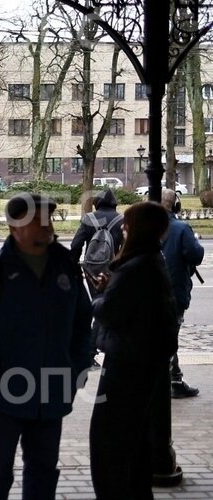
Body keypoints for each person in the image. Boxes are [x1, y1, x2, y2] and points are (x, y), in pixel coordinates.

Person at [0, 192, 92, 500]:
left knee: (43, 471)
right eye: (39, 219)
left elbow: (84, 320)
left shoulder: (66, 266)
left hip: (52, 390)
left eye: (49, 218)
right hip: (4, 394)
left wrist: (77, 368)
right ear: (16, 227)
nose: (47, 225)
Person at [88, 201, 180, 499]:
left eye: (127, 224)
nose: (123, 229)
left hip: (126, 363)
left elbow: (109, 312)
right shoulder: (152, 260)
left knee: (107, 437)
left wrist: (97, 298)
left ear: (136, 228)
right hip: (143, 362)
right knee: (135, 438)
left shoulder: (135, 268)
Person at [69, 188, 124, 365]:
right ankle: (92, 351)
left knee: (100, 305)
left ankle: (96, 349)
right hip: (112, 269)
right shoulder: (121, 220)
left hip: (91, 270)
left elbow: (76, 245)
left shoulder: (88, 219)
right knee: (105, 308)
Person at [160, 188, 204, 399]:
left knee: (163, 336)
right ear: (176, 205)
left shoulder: (144, 226)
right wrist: (194, 240)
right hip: (174, 292)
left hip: (146, 293)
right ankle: (172, 380)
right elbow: (195, 256)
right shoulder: (180, 228)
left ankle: (174, 378)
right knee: (169, 336)